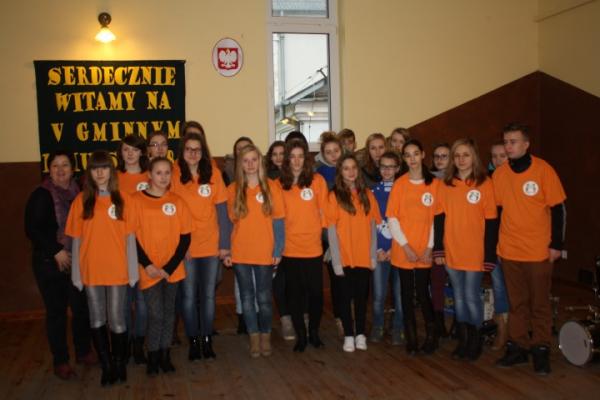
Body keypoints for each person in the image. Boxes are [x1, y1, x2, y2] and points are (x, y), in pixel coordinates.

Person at [493, 123, 566, 375]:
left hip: (538, 251)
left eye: (513, 141)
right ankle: (518, 347)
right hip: (509, 250)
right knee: (517, 303)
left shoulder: (544, 170)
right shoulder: (500, 174)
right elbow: (497, 212)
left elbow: (559, 209)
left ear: (526, 144)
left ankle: (541, 349)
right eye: (506, 142)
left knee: (540, 303)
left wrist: (557, 244)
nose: (508, 146)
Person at [65, 150, 138, 386]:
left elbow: (130, 239)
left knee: (117, 319)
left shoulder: (124, 199)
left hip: (118, 269)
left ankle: (119, 362)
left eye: (104, 167)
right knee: (97, 318)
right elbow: (76, 241)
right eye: (95, 168)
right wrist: (77, 274)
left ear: (111, 171)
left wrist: (133, 271)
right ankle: (106, 365)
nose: (100, 173)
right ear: (89, 172)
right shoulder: (81, 201)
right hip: (91, 270)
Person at [24, 151, 95, 380]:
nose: (61, 170)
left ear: (73, 169)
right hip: (49, 263)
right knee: (57, 313)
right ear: (49, 169)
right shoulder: (41, 195)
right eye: (55, 166)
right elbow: (32, 229)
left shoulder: (81, 192)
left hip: (76, 261)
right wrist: (56, 250)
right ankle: (61, 361)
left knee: (81, 308)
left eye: (65, 165)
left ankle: (83, 351)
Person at [433, 139, 498, 361]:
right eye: (457, 155)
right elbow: (439, 218)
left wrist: (489, 255)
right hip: (452, 249)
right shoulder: (446, 184)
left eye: (466, 155)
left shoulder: (485, 183)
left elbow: (491, 222)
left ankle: (475, 341)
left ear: (474, 157)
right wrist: (439, 249)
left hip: (475, 252)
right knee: (459, 297)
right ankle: (463, 339)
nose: (461, 159)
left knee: (471, 296)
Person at [171, 132, 230, 361]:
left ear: (203, 151)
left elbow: (222, 212)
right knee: (188, 297)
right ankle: (193, 340)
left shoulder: (214, 174)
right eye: (189, 149)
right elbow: (170, 214)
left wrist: (224, 245)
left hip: (211, 246)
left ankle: (206, 338)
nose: (193, 153)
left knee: (208, 297)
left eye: (197, 149)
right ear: (182, 152)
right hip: (186, 248)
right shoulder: (174, 175)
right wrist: (179, 246)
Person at [223, 144, 285, 358]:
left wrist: (278, 249)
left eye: (254, 160)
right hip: (240, 252)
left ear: (260, 162)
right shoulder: (232, 189)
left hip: (265, 252)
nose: (250, 164)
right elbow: (228, 224)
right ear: (240, 164)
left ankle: (266, 335)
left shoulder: (272, 187)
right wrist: (227, 251)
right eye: (246, 160)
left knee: (264, 298)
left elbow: (279, 221)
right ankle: (254, 337)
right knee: (247, 298)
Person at [132, 157, 192, 375]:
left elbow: (185, 237)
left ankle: (164, 355)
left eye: (167, 173)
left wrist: (169, 267)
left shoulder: (178, 201)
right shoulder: (136, 201)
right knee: (155, 314)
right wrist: (147, 264)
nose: (163, 177)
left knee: (168, 313)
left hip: (171, 269)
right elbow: (131, 237)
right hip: (148, 269)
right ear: (149, 174)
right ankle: (152, 355)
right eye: (158, 172)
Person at [386, 139, 439, 355]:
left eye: (415, 153)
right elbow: (392, 218)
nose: (412, 158)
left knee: (424, 294)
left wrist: (429, 247)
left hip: (425, 250)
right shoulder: (400, 184)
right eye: (407, 155)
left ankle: (432, 337)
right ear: (404, 159)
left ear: (423, 154)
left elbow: (436, 220)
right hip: (403, 250)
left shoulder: (434, 184)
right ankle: (412, 338)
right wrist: (405, 246)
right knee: (405, 295)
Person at [327, 154, 381, 352]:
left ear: (358, 171)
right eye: (346, 168)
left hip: (363, 257)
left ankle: (360, 334)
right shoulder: (333, 196)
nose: (350, 172)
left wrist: (372, 256)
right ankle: (348, 335)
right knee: (344, 298)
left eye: (353, 168)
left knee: (361, 298)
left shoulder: (367, 195)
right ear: (340, 173)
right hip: (344, 256)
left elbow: (373, 227)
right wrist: (336, 261)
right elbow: (332, 231)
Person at [278, 139, 328, 352]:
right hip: (290, 248)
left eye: (300, 156)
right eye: (292, 157)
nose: (296, 161)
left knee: (316, 293)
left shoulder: (317, 181)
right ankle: (301, 335)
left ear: (306, 159)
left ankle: (314, 332)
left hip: (313, 247)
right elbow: (277, 218)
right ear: (287, 160)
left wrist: (325, 241)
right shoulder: (279, 184)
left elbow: (324, 213)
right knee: (295, 295)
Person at [116, 134, 150, 364]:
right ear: (121, 153)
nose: (130, 154)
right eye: (126, 149)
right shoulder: (114, 178)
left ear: (142, 152)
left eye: (134, 149)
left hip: (146, 246)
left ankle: (139, 342)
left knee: (143, 300)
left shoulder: (150, 176)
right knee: (125, 301)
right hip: (120, 247)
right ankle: (126, 341)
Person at [369, 151, 404, 346]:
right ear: (378, 168)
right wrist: (377, 250)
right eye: (383, 167)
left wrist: (395, 249)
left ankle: (399, 327)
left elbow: (407, 225)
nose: (387, 170)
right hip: (380, 253)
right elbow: (370, 224)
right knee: (379, 295)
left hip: (400, 252)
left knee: (400, 295)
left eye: (391, 167)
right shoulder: (372, 193)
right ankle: (378, 325)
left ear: (398, 168)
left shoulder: (404, 191)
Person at [487, 140, 510, 351]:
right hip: (493, 243)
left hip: (516, 244)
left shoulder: (517, 179)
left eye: (502, 155)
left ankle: (518, 329)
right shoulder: (488, 181)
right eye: (494, 156)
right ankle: (502, 328)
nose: (498, 160)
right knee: (499, 285)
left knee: (516, 287)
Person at [429, 142, 451, 338]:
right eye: (437, 156)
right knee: (436, 282)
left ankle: (460, 324)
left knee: (458, 284)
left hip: (456, 239)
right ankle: (438, 322)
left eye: (444, 156)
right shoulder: (428, 180)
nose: (440, 159)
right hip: (434, 240)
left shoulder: (458, 180)